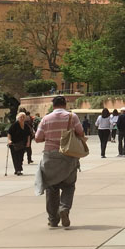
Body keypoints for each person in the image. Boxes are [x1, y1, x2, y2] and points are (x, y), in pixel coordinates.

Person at [34, 95, 86, 228]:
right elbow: (81, 133)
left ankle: (53, 219)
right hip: (68, 155)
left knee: (51, 187)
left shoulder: (46, 118)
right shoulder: (71, 117)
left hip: (50, 156)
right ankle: (64, 208)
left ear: (53, 105)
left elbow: (38, 138)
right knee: (69, 185)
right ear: (65, 104)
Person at [7, 111, 31, 176]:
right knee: (15, 157)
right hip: (14, 144)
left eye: (23, 117)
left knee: (21, 157)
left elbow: (28, 135)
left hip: (22, 144)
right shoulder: (14, 125)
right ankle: (18, 170)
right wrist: (9, 140)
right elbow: (9, 133)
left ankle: (18, 169)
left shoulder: (26, 126)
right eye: (21, 117)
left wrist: (28, 142)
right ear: (18, 118)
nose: (22, 118)